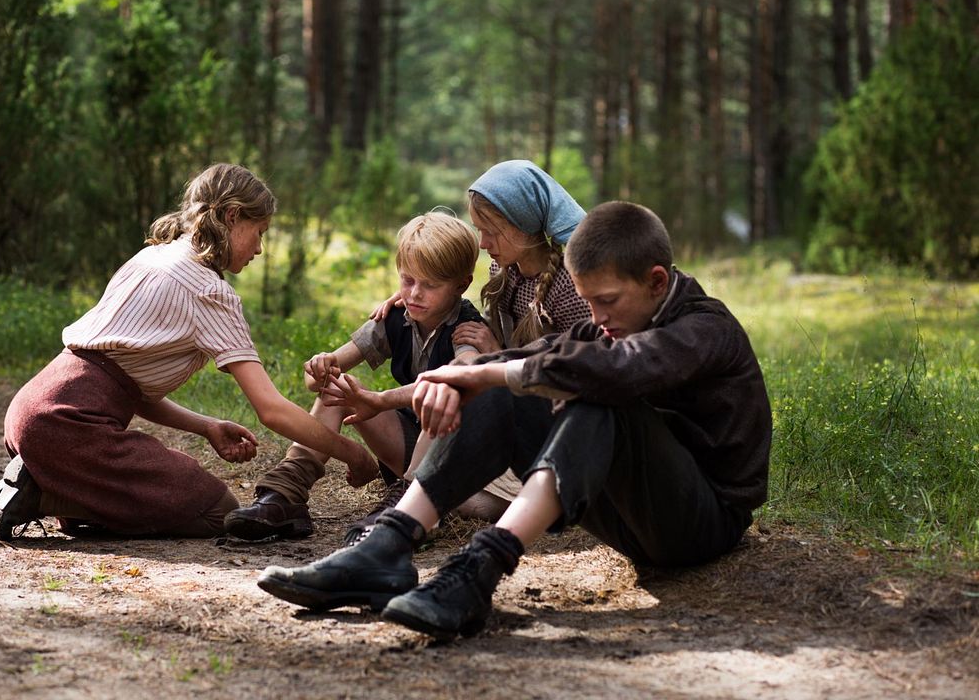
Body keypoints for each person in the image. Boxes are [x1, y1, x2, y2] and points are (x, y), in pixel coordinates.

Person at [256, 201, 773, 641]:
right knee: (507, 385)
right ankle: (386, 546)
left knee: (587, 390)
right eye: (588, 301)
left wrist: (491, 374)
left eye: (606, 301)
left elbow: (616, 371)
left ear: (657, 281)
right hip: (629, 516)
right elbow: (544, 353)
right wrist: (461, 377)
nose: (595, 318)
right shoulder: (614, 324)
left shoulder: (705, 329)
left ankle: (480, 568)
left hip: (701, 525)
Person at [0, 163, 377, 541]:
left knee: (153, 500)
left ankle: (51, 478)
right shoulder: (209, 290)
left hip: (32, 411)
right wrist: (353, 454)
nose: (259, 249)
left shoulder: (153, 256)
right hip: (69, 428)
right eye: (261, 232)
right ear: (233, 216)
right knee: (215, 511)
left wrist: (206, 426)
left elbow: (119, 384)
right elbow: (270, 410)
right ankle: (44, 494)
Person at [223, 211, 486, 543]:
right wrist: (321, 367)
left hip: (453, 454)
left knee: (440, 397)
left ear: (462, 284)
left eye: (430, 285)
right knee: (338, 387)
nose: (414, 293)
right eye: (407, 280)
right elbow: (320, 378)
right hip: (405, 444)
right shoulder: (397, 318)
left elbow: (461, 373)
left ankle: (414, 504)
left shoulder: (467, 328)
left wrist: (379, 400)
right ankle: (286, 492)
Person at [363, 159, 591, 522]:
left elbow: (579, 369)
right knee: (453, 486)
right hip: (506, 401)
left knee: (468, 499)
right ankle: (414, 495)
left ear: (524, 226)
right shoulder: (506, 269)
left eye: (491, 231)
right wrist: (409, 293)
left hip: (550, 421)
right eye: (478, 230)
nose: (483, 243)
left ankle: (410, 500)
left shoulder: (569, 283)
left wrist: (497, 355)